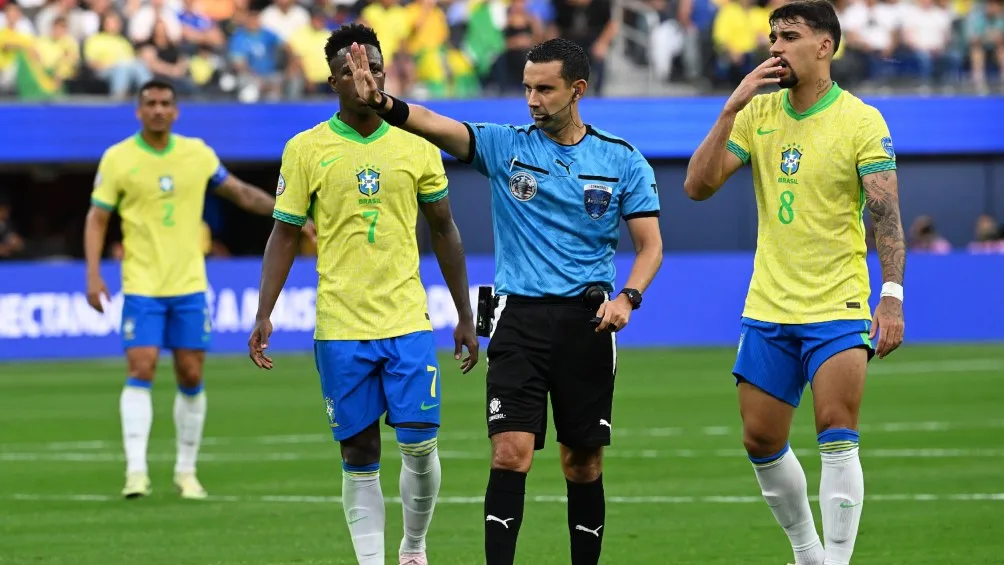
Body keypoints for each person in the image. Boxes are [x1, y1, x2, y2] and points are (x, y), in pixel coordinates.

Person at [344, 36, 664, 565]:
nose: (533, 100)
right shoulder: (505, 146)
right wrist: (382, 102)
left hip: (589, 323)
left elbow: (650, 246)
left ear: (577, 90)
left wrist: (628, 297)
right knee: (509, 453)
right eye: (527, 89)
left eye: (545, 89)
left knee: (581, 463)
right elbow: (435, 123)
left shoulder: (621, 160)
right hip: (517, 319)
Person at [246, 24, 479, 565]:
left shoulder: (416, 143)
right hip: (340, 326)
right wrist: (264, 311)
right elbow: (284, 232)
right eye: (353, 70)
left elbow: (444, 230)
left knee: (420, 447)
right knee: (360, 452)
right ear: (333, 82)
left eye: (375, 67)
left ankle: (414, 548)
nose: (367, 77)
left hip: (406, 320)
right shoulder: (305, 149)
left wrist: (465, 313)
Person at [683, 2, 906, 564]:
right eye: (772, 37)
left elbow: (887, 217)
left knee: (836, 429)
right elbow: (696, 186)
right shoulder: (757, 117)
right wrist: (731, 106)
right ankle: (808, 554)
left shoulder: (861, 121)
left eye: (789, 36)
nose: (775, 47)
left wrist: (893, 296)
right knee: (760, 439)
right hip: (769, 304)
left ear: (825, 46)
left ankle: (835, 560)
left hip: (838, 300)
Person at [84, 79, 307, 500]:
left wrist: (290, 213)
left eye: (165, 103)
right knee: (141, 368)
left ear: (176, 110)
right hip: (142, 285)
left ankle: (186, 472)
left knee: (191, 374)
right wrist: (93, 275)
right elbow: (97, 218)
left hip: (189, 285)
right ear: (138, 110)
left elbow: (239, 192)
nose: (157, 109)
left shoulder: (197, 154)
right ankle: (136, 472)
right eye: (149, 103)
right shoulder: (118, 159)